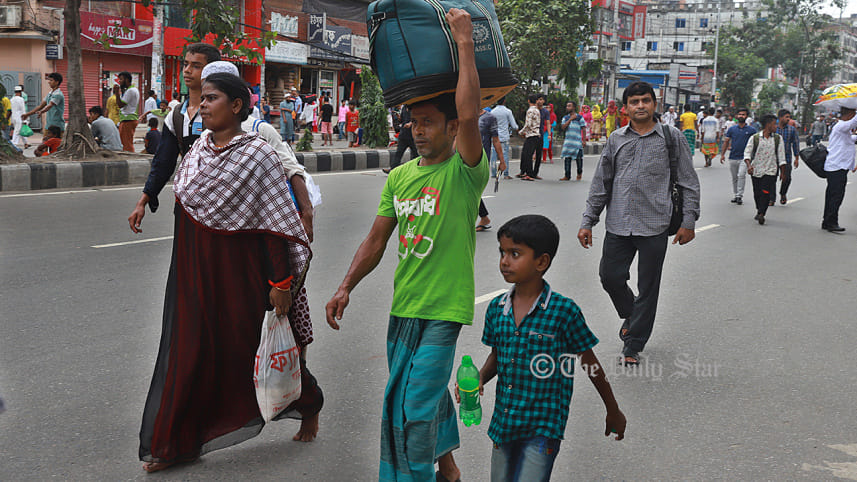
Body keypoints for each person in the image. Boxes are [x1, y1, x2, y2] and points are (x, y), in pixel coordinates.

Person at [324, 10, 486, 481]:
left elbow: (471, 111)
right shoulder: (399, 177)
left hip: (443, 311)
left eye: (429, 122)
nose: (418, 130)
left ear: (452, 129)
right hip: (405, 307)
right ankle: (450, 466)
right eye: (414, 123)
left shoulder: (465, 172)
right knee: (423, 393)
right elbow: (377, 239)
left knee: (412, 405)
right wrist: (345, 285)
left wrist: (464, 43)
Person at [138, 71, 320, 473]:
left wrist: (280, 283)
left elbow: (272, 224)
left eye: (211, 98)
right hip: (192, 273)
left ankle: (308, 402)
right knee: (188, 351)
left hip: (239, 277)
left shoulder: (258, 155)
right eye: (201, 99)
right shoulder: (199, 149)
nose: (201, 105)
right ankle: (175, 443)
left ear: (236, 106)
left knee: (242, 351)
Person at [461, 215, 626, 481]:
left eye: (515, 253)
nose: (504, 261)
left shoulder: (564, 311)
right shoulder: (496, 309)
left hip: (543, 426)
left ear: (541, 261)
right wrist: (479, 378)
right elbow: (497, 356)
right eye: (502, 252)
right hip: (504, 424)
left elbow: (590, 362)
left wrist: (612, 409)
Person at [578, 81, 700, 366]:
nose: (641, 106)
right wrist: (588, 221)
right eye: (635, 102)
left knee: (649, 287)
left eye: (646, 100)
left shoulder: (672, 138)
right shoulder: (616, 139)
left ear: (654, 104)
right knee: (610, 276)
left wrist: (689, 221)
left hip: (655, 224)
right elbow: (601, 184)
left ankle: (633, 343)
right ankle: (632, 314)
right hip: (618, 223)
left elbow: (688, 182)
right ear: (626, 108)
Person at [744, 114, 786, 226]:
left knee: (766, 192)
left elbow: (781, 156)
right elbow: (747, 153)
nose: (776, 126)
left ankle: (762, 213)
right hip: (756, 170)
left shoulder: (778, 139)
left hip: (771, 170)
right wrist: (749, 166)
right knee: (757, 193)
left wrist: (783, 172)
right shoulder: (755, 138)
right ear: (768, 125)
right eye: (774, 124)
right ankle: (759, 209)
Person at [821, 105, 857, 233]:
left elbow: (850, 139)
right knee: (836, 196)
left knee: (832, 195)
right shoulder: (842, 125)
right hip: (837, 167)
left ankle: (827, 221)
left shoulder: (842, 129)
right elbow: (854, 122)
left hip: (837, 166)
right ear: (849, 115)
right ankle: (831, 222)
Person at [476, 106, 507, 232]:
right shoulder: (463, 114)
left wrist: (502, 161)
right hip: (461, 158)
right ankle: (483, 217)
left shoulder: (489, 118)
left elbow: (496, 140)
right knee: (464, 188)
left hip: (480, 160)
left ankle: (483, 217)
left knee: (471, 189)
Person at [720, 107, 756, 205]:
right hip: (733, 156)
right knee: (735, 177)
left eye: (743, 114)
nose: (741, 116)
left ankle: (740, 195)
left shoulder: (751, 130)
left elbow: (755, 144)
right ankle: (736, 194)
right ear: (737, 116)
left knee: (741, 175)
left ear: (746, 116)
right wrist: (722, 155)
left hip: (745, 158)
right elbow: (726, 141)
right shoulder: (732, 129)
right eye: (740, 114)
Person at [772, 109, 800, 205]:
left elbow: (795, 143)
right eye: (786, 117)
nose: (788, 119)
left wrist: (796, 158)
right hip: (773, 157)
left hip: (786, 157)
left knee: (786, 178)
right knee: (771, 178)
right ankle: (772, 198)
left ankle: (783, 193)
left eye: (789, 117)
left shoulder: (792, 129)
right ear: (780, 117)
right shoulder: (773, 129)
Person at [384, 103, 417, 173]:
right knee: (398, 153)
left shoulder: (415, 107)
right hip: (403, 134)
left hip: (412, 135)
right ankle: (393, 169)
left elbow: (416, 119)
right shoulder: (404, 108)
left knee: (415, 154)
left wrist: (410, 123)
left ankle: (414, 170)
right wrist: (399, 118)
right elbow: (402, 120)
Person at [560, 100, 587, 181]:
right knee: (567, 159)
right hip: (568, 142)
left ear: (574, 107)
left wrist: (584, 140)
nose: (567, 107)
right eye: (567, 106)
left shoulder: (579, 118)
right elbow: (563, 127)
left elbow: (584, 128)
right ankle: (567, 175)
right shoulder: (565, 118)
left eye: (569, 106)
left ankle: (579, 173)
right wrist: (570, 119)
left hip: (577, 142)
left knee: (579, 159)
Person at [114, 71, 140, 152]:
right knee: (125, 142)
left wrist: (117, 93)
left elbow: (121, 104)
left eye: (121, 79)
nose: (119, 81)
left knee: (126, 144)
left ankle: (130, 158)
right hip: (128, 119)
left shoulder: (130, 91)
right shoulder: (132, 90)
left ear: (127, 79)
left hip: (128, 119)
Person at [517, 94, 541, 181]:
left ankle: (529, 174)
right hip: (536, 134)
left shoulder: (530, 111)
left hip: (531, 135)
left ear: (528, 101)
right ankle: (528, 173)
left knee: (527, 154)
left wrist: (521, 132)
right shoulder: (537, 110)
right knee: (528, 154)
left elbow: (528, 124)